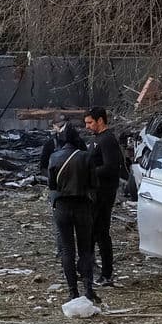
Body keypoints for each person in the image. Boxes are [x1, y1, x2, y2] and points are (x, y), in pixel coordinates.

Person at [46, 124, 96, 304]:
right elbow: (93, 183)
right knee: (85, 249)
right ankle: (88, 289)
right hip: (82, 205)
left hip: (62, 206)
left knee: (67, 250)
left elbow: (51, 185)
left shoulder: (54, 156)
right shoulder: (86, 157)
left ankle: (72, 291)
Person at [83, 106, 122, 287]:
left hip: (104, 194)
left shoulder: (107, 140)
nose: (87, 126)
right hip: (95, 193)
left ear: (100, 120)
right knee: (91, 233)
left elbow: (111, 167)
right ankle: (88, 269)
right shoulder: (96, 140)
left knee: (101, 233)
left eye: (90, 122)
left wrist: (90, 172)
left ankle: (106, 273)